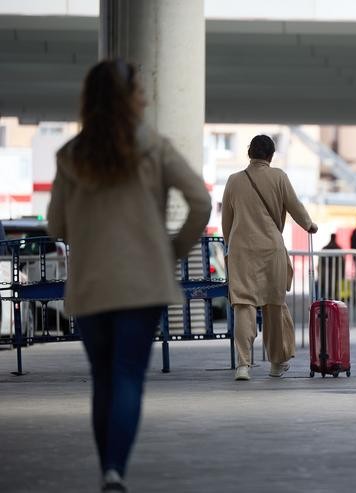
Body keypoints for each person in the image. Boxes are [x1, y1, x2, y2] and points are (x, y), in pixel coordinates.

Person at [46, 59, 211, 492]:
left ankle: (108, 470)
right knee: (126, 376)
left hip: (91, 283)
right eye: (140, 90)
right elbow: (200, 202)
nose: (147, 97)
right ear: (129, 98)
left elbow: (56, 225)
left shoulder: (70, 156)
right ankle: (115, 471)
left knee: (103, 377)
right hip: (143, 283)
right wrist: (172, 249)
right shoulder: (155, 147)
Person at [222, 134, 317, 382]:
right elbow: (296, 207)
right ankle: (276, 363)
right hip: (271, 249)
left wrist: (229, 245)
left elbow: (226, 222)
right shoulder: (279, 177)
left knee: (244, 305)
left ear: (249, 153)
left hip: (241, 251)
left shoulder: (234, 181)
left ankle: (243, 365)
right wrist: (309, 225)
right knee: (274, 305)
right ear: (271, 156)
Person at [319, 233, 346, 300]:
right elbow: (342, 262)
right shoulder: (339, 248)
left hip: (326, 271)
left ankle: (327, 299)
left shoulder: (325, 248)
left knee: (327, 286)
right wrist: (343, 273)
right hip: (336, 271)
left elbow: (320, 262)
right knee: (335, 286)